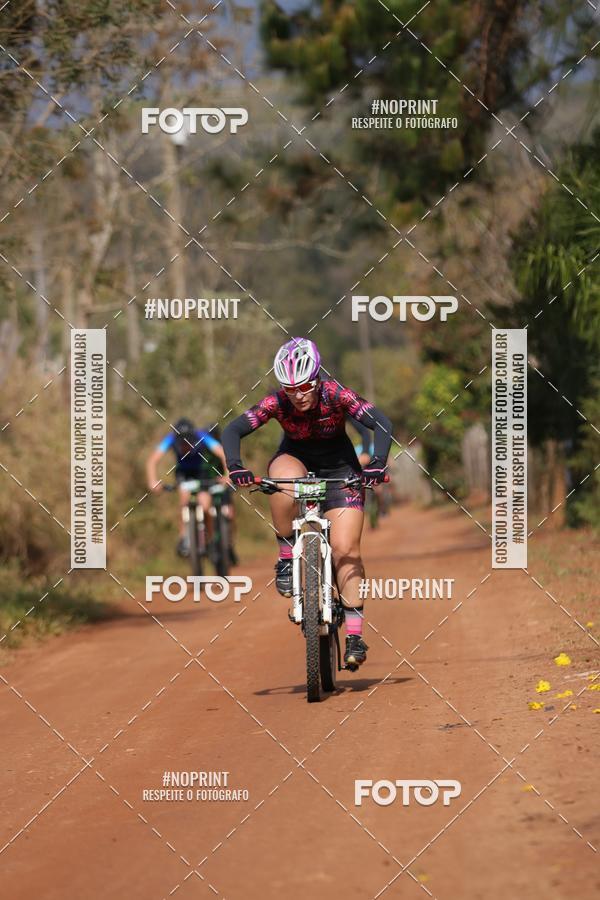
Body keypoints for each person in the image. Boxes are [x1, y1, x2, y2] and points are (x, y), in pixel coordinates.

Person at [222, 337, 392, 670]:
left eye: (304, 387)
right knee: (283, 482)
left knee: (347, 550)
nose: (297, 395)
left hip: (342, 470)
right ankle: (286, 556)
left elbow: (381, 422)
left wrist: (377, 463)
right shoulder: (277, 403)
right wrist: (236, 466)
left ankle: (355, 635)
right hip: (295, 459)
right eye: (290, 389)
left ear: (316, 379)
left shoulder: (336, 394)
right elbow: (233, 430)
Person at [146, 417, 228, 557]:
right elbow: (152, 460)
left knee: (206, 505)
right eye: (181, 441)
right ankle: (184, 538)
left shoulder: (201, 435)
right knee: (184, 500)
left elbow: (222, 452)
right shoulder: (171, 438)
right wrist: (153, 481)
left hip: (201, 472)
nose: (185, 444)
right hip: (183, 473)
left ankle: (211, 541)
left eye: (188, 440)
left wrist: (228, 475)